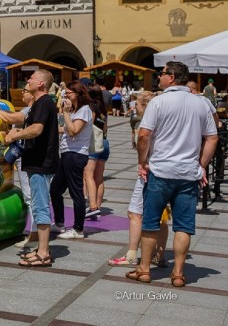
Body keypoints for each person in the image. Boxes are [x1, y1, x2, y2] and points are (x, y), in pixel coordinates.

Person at [126, 61, 218, 287]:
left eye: (162, 73)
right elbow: (212, 137)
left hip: (160, 170)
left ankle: (145, 269)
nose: (159, 77)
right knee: (184, 226)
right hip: (188, 173)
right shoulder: (202, 103)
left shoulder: (159, 102)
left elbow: (144, 135)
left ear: (173, 77)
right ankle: (178, 273)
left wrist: (142, 161)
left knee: (150, 222)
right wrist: (201, 165)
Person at [3, 69, 59, 267]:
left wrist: (14, 136)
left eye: (32, 77)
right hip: (38, 162)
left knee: (41, 207)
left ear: (41, 83)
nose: (28, 79)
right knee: (38, 205)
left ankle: (44, 253)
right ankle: (41, 249)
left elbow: (37, 129)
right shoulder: (39, 103)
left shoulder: (44, 102)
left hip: (41, 163)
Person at [109, 91, 171, 268]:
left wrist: (141, 163)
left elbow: (143, 143)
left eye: (136, 105)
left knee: (135, 212)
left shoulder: (146, 125)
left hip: (148, 171)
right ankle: (159, 254)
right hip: (164, 171)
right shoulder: (163, 123)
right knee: (162, 215)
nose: (133, 107)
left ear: (145, 106)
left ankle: (131, 254)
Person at [0, 88, 37, 249]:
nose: (22, 93)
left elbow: (10, 118)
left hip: (26, 156)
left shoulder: (31, 109)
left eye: (26, 91)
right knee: (31, 195)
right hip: (25, 156)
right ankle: (36, 232)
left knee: (30, 196)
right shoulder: (29, 108)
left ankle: (35, 234)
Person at [50, 80, 93, 239]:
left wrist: (66, 112)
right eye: (65, 93)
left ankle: (78, 229)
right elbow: (67, 129)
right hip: (67, 154)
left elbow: (74, 130)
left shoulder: (84, 110)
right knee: (55, 189)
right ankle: (60, 223)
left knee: (76, 193)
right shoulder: (76, 111)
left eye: (68, 93)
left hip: (76, 155)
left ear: (78, 94)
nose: (65, 95)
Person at [84, 85, 109, 220]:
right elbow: (105, 129)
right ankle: (97, 207)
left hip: (94, 143)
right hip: (104, 142)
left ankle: (92, 206)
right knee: (99, 177)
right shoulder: (103, 109)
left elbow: (89, 126)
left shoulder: (91, 107)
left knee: (88, 174)